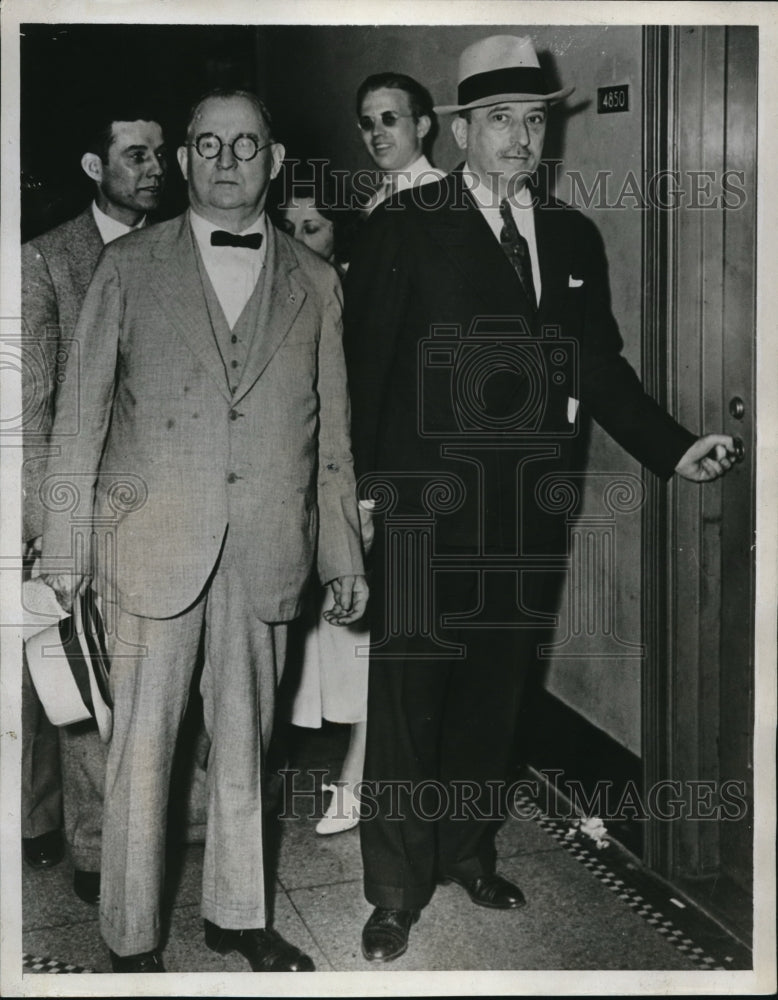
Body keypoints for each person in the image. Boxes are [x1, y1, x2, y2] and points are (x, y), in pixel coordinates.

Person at [343, 34, 737, 963]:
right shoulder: (406, 226)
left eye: (533, 120)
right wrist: (354, 499)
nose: (520, 138)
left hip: (525, 511)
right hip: (421, 513)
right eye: (499, 121)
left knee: (494, 694)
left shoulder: (568, 235)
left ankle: (470, 850)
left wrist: (674, 450)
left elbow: (597, 367)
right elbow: (364, 373)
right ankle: (394, 889)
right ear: (462, 129)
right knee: (408, 702)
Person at [40, 88, 367, 973]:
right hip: (149, 546)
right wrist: (65, 546)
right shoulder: (129, 267)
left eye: (246, 145)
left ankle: (236, 914)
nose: (228, 162)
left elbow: (330, 431)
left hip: (266, 550)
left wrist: (342, 552)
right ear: (184, 160)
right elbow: (79, 417)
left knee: (247, 745)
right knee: (142, 750)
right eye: (209, 146)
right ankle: (131, 936)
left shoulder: (317, 282)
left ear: (277, 158)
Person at [21, 107, 167, 900]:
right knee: (76, 682)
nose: (155, 167)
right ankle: (86, 846)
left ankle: (137, 834)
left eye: (160, 154)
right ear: (92, 166)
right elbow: (31, 413)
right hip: (80, 508)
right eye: (135, 154)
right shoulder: (46, 262)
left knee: (141, 683)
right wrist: (56, 528)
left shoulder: (180, 249)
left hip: (161, 508)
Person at [276, 173, 368, 835]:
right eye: (290, 227)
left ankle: (357, 780)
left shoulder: (355, 297)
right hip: (287, 489)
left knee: (356, 638)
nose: (299, 240)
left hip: (349, 489)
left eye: (313, 227)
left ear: (337, 234)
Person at [355, 72, 445, 214]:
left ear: (421, 126)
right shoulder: (371, 206)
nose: (376, 132)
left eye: (389, 118)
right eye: (367, 123)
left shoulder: (444, 195)